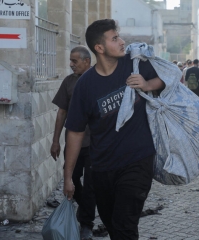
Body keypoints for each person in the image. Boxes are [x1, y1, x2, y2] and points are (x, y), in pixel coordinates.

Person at [63, 19, 164, 239]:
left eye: (119, 36)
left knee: (124, 224)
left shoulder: (135, 63)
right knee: (113, 225)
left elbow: (167, 77)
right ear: (99, 48)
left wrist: (147, 85)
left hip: (138, 161)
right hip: (102, 168)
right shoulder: (85, 86)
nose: (122, 42)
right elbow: (75, 132)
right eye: (115, 38)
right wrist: (68, 175)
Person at [50, 46, 96, 240]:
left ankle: (86, 223)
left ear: (87, 61)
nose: (71, 64)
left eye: (75, 61)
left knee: (92, 183)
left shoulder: (98, 80)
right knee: (72, 179)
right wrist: (55, 141)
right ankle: (86, 206)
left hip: (96, 143)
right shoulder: (69, 82)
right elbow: (61, 112)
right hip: (73, 142)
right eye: (70, 60)